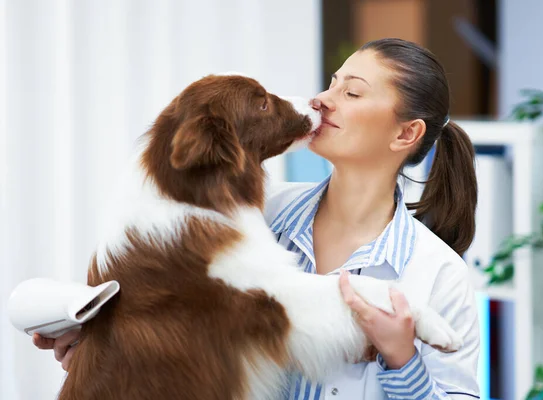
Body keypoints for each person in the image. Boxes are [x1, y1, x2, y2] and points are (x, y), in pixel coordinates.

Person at [34, 38, 480, 399]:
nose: (323, 100)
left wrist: (402, 360)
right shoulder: (243, 219)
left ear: (406, 133)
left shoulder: (440, 274)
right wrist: (99, 342)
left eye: (352, 92)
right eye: (331, 82)